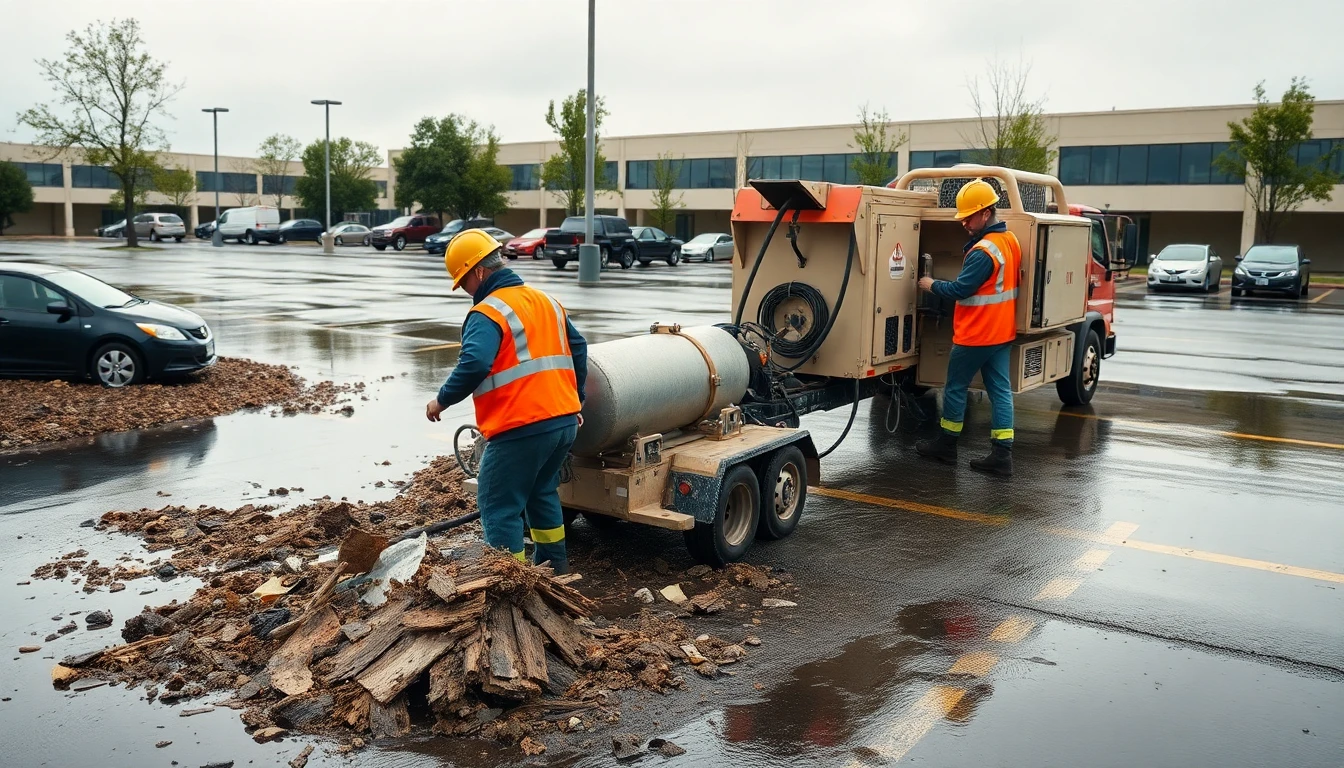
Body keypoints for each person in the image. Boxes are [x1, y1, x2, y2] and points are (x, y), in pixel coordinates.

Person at [426, 229, 588, 573]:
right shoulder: (547, 301)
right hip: (562, 423)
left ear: (479, 272)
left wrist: (441, 401)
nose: (466, 291)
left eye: (464, 281)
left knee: (498, 505)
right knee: (541, 493)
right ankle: (554, 570)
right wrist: (577, 401)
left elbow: (474, 363)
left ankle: (510, 587)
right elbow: (579, 348)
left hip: (521, 427)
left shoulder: (487, 312)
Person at [915, 179, 1021, 477]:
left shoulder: (982, 251)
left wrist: (930, 284)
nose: (963, 222)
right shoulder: (1009, 241)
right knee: (1000, 390)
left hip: (976, 334)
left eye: (968, 216)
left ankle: (947, 446)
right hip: (1001, 332)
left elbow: (962, 289)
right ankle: (1002, 455)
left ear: (985, 214)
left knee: (955, 387)